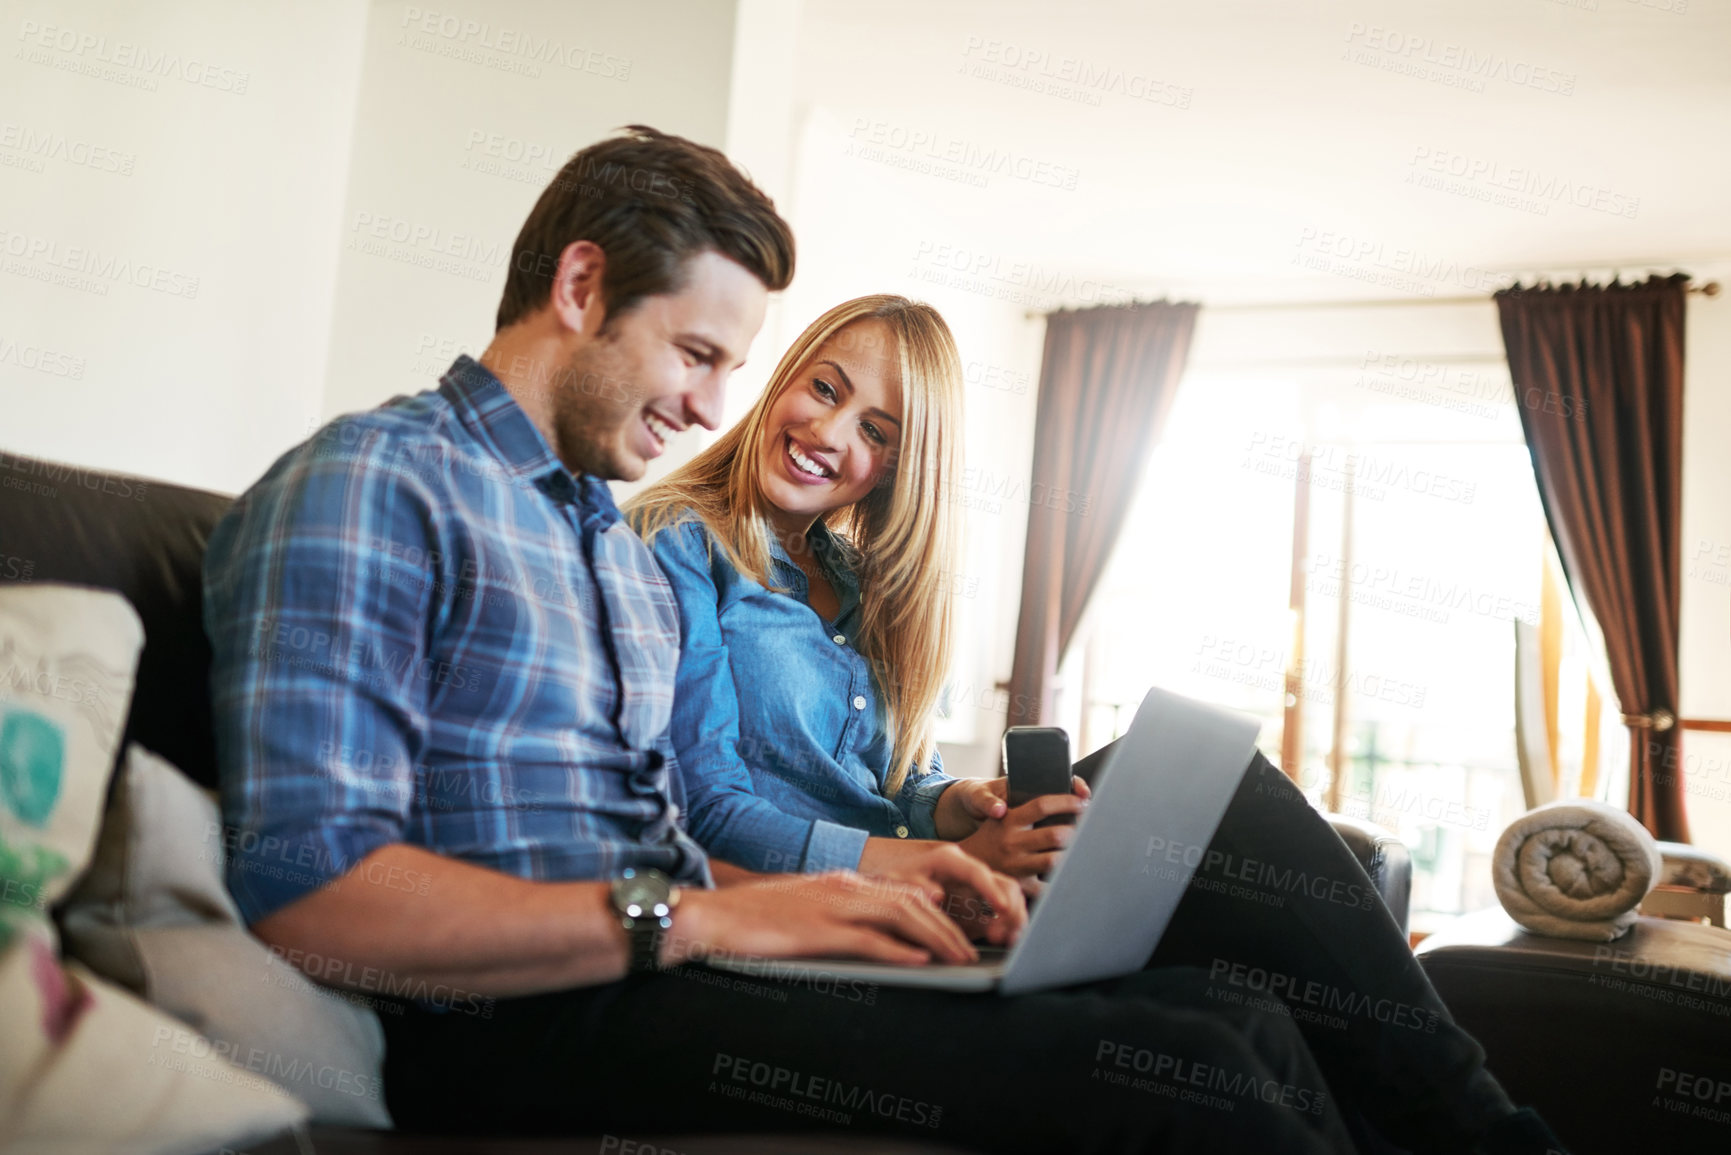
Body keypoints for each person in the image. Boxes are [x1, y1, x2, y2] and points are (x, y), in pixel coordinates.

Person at [204, 126, 1550, 1154]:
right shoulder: (380, 482)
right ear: (578, 283)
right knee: (1193, 1080)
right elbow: (311, 893)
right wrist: (716, 913)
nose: (713, 405)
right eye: (696, 353)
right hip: (524, 1024)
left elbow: (669, 821)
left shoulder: (595, 538)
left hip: (670, 961)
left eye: (734, 367)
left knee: (1224, 1017)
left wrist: (834, 895)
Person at [627, 295, 1568, 1155]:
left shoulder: (864, 585)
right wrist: (943, 863)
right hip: (824, 916)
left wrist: (963, 806)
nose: (827, 433)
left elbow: (896, 785)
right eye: (822, 388)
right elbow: (708, 806)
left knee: (1243, 993)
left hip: (930, 890)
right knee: (1230, 809)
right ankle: (1496, 1138)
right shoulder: (681, 537)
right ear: (782, 376)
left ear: (897, 471)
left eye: (876, 430)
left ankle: (1480, 1133)